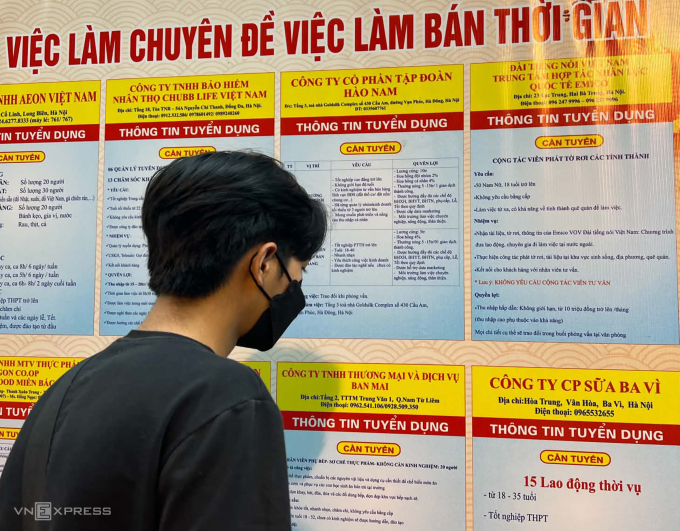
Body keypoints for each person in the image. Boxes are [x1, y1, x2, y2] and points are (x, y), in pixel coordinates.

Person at [0, 151, 327, 530]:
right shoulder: (227, 398)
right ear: (265, 263)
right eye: (299, 271)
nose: (297, 286)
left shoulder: (69, 386)